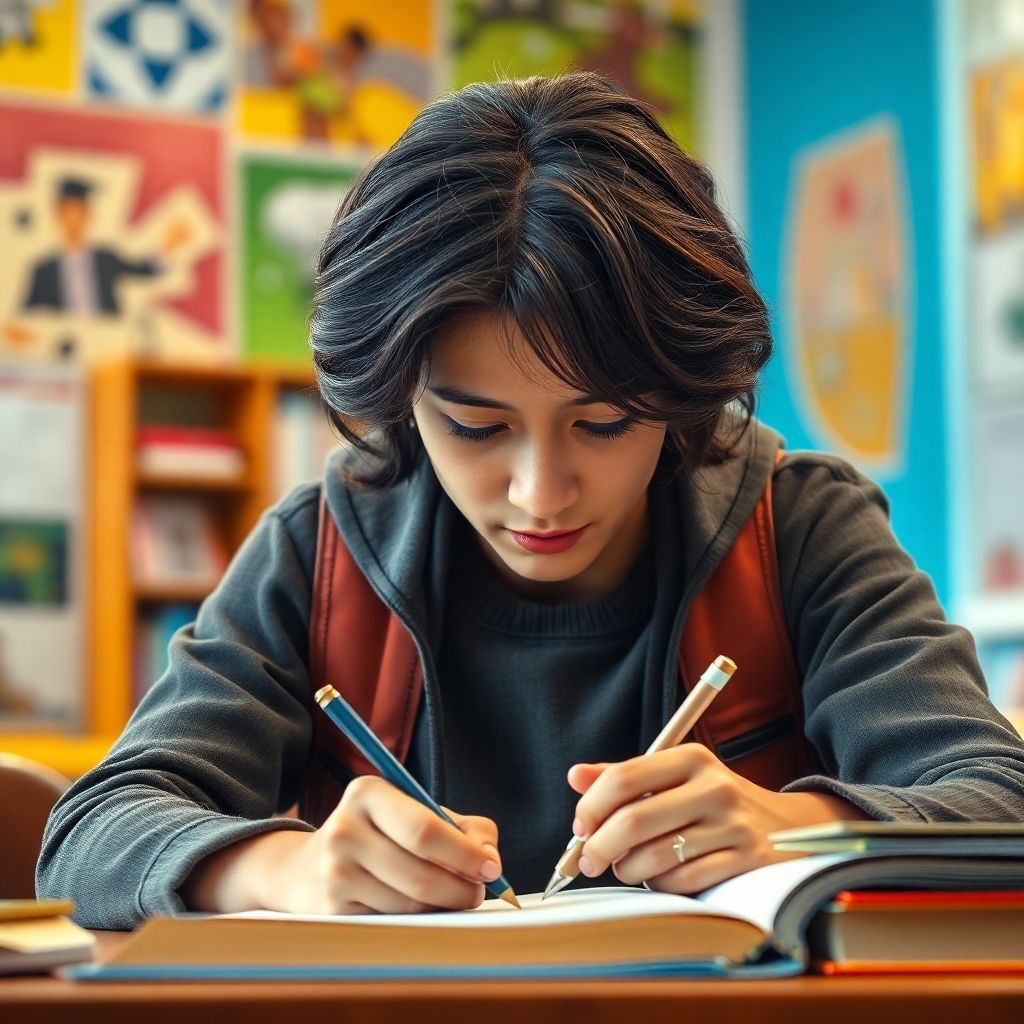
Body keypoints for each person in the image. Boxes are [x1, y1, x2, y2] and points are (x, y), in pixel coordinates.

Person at [38, 72, 1024, 929]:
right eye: (473, 427)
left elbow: (999, 796)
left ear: (679, 395)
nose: (537, 493)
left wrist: (796, 824)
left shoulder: (796, 524)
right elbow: (90, 833)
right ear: (400, 397)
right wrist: (284, 865)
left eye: (602, 423)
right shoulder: (324, 547)